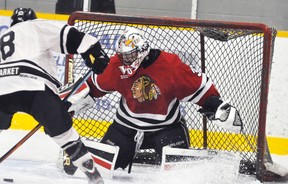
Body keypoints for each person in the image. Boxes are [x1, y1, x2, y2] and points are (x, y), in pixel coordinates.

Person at [66, 27, 243, 172]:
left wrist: (218, 107)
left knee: (178, 174)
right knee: (102, 168)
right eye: (122, 56)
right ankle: (78, 152)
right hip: (126, 126)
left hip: (166, 128)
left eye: (129, 56)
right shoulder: (116, 65)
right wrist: (72, 102)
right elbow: (94, 86)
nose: (125, 61)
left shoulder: (170, 66)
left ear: (142, 51)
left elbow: (199, 89)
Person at [0, 8, 110, 184]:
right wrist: (95, 52)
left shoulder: (3, 37)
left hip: (2, 87)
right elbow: (69, 36)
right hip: (33, 85)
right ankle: (90, 170)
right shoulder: (35, 26)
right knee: (63, 132)